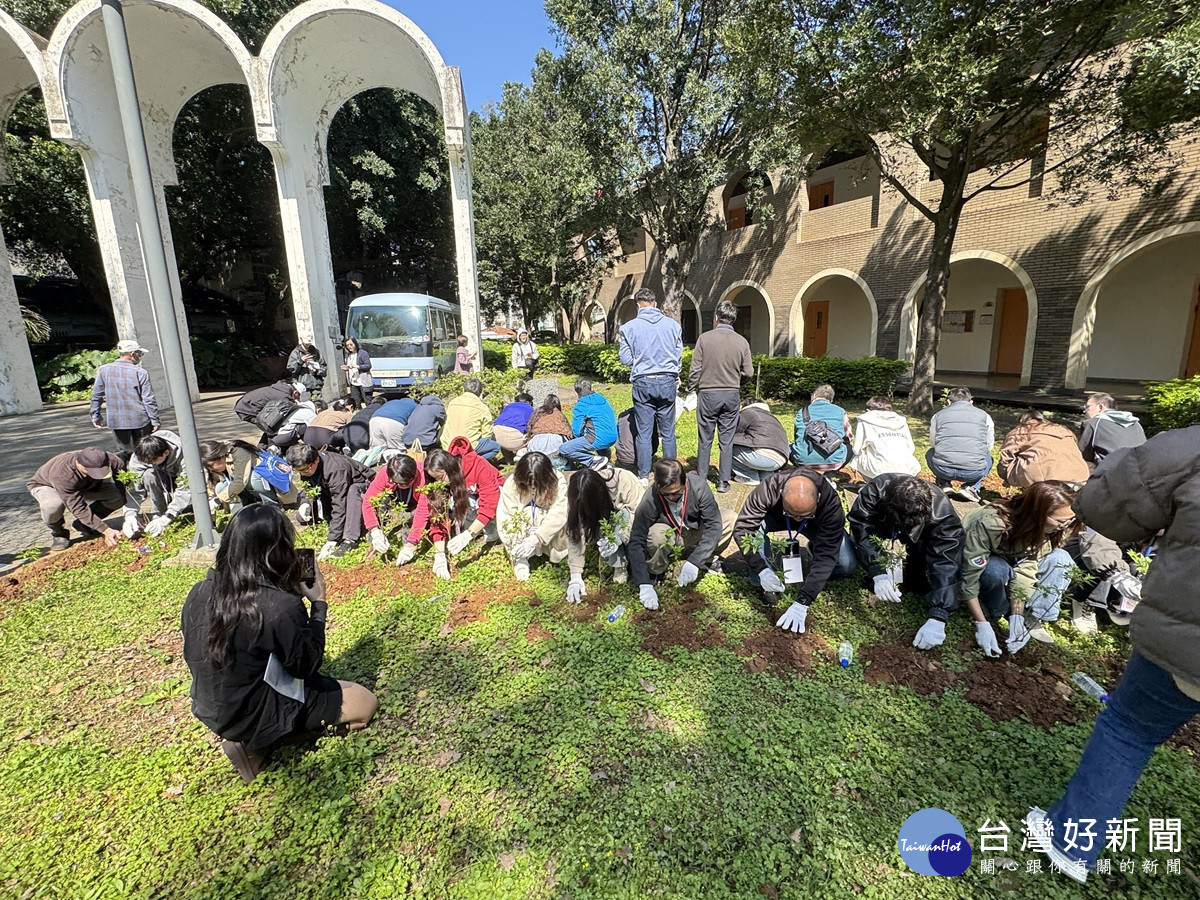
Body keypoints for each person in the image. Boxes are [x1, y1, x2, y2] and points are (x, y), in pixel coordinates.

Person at [1024, 424, 1200, 884]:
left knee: (1128, 731)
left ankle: (1070, 841)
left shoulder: (1189, 449)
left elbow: (1104, 504)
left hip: (1189, 640)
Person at [180, 505, 377, 783]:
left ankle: (254, 737)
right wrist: (318, 604)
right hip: (254, 713)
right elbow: (306, 666)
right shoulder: (277, 606)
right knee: (364, 703)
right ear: (278, 550)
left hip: (213, 706)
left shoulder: (199, 591)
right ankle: (261, 743)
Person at [958, 480, 1082, 655]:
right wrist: (981, 623)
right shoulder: (990, 523)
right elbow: (969, 573)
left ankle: (1028, 616)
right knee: (995, 570)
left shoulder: (1048, 529)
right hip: (985, 559)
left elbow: (1027, 565)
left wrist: (1017, 614)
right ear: (1039, 514)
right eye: (1061, 521)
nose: (1066, 525)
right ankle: (995, 610)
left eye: (1070, 520)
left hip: (1011, 556)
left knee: (1062, 560)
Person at [847, 474, 965, 650]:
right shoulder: (875, 492)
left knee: (920, 581)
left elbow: (947, 561)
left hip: (924, 536)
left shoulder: (943, 516)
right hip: (885, 522)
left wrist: (939, 615)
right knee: (869, 554)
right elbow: (862, 528)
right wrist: (876, 570)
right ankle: (882, 576)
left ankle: (913, 576)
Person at [730, 468, 855, 625]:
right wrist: (761, 570)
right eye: (792, 513)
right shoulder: (768, 488)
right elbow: (744, 529)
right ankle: (763, 583)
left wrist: (804, 601)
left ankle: (815, 546)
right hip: (775, 519)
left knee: (846, 563)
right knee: (754, 534)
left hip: (814, 526)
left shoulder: (830, 503)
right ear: (781, 494)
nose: (797, 518)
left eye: (804, 514)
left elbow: (828, 554)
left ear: (818, 498)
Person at [628, 458, 734, 610]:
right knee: (656, 535)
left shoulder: (698, 486)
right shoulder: (651, 498)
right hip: (669, 534)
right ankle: (657, 570)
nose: (671, 497)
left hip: (693, 530)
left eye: (677, 492)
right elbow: (636, 539)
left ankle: (706, 560)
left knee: (729, 519)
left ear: (685, 483)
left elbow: (714, 524)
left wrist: (695, 561)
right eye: (666, 494)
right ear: (658, 487)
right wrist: (643, 583)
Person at [395, 444, 502, 578]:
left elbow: (490, 503)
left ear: (450, 467)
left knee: (479, 502)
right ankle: (476, 527)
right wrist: (438, 553)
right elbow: (434, 513)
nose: (440, 482)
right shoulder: (439, 482)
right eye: (436, 479)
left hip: (497, 497)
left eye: (441, 477)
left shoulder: (478, 465)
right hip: (468, 502)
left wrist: (468, 535)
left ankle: (493, 528)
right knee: (454, 502)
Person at [687, 299, 753, 492]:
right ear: (733, 319)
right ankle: (723, 481)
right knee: (727, 439)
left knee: (705, 438)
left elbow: (695, 369)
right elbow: (748, 372)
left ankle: (701, 478)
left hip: (708, 394)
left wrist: (691, 388)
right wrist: (736, 383)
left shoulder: (704, 339)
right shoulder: (742, 342)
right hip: (731, 394)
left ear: (717, 317)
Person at [619, 288, 684, 478]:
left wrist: (640, 358)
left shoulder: (628, 328)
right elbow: (678, 356)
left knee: (644, 433)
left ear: (638, 305)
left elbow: (625, 358)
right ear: (655, 304)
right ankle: (673, 475)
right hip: (667, 381)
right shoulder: (673, 326)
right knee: (668, 432)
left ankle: (643, 475)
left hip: (643, 381)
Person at [564, 460, 647, 600]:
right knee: (603, 523)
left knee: (623, 515)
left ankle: (627, 562)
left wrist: (619, 536)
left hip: (632, 524)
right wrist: (575, 575)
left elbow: (638, 513)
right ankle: (618, 565)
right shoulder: (579, 492)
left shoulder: (625, 481)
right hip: (606, 520)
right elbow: (575, 531)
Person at [27, 447, 127, 550]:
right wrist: (105, 530)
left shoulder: (109, 459)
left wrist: (130, 512)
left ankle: (84, 525)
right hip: (48, 486)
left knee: (118, 497)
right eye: (93, 472)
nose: (98, 475)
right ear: (79, 464)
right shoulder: (63, 475)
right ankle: (59, 532)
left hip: (86, 486)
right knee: (53, 505)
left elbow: (123, 483)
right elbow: (78, 508)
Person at [285, 443, 373, 560]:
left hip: (362, 489)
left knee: (353, 492)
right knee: (303, 517)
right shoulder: (309, 466)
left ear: (316, 460)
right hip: (331, 490)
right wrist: (305, 502)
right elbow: (309, 487)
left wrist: (332, 540)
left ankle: (350, 539)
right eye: (299, 471)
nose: (303, 473)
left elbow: (340, 505)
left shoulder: (336, 469)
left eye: (305, 470)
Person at [495, 451, 569, 581]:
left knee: (563, 522)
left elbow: (560, 511)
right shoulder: (511, 484)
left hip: (547, 525)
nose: (533, 486)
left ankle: (557, 554)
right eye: (529, 482)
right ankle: (521, 558)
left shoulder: (558, 480)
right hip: (525, 526)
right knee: (525, 514)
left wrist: (538, 537)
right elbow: (506, 516)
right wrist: (513, 544)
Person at [90, 339, 160, 461]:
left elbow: (97, 395)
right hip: (140, 419)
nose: (140, 356)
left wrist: (96, 415)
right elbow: (148, 399)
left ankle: (123, 477)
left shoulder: (104, 370)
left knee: (122, 452)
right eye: (140, 353)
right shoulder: (140, 372)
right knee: (145, 451)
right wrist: (155, 420)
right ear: (132, 353)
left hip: (117, 420)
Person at [927, 386, 995, 502]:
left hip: (943, 469)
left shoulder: (938, 415)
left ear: (948, 401)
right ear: (971, 402)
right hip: (973, 471)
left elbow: (933, 443)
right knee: (988, 458)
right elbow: (989, 446)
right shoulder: (985, 416)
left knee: (931, 453)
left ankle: (943, 483)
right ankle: (972, 487)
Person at [123, 430, 192, 539]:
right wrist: (130, 515)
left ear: (166, 452)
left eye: (153, 462)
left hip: (180, 479)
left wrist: (169, 515)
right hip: (160, 477)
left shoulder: (184, 455)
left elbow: (185, 488)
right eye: (147, 462)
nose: (149, 464)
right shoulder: (140, 455)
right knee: (149, 475)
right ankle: (158, 514)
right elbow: (134, 488)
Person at [997, 410, 1089, 488]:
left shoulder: (1020, 431)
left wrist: (1007, 477)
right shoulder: (1065, 431)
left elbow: (1006, 459)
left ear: (1022, 421)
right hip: (1079, 475)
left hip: (1041, 478)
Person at [201, 439, 299, 511]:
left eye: (211, 465)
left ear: (220, 456)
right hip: (249, 487)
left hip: (273, 485)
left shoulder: (238, 452)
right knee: (220, 487)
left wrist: (218, 500)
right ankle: (246, 507)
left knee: (253, 478)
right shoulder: (220, 460)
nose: (211, 469)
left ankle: (272, 506)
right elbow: (213, 484)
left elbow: (240, 481)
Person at [363, 455, 425, 555]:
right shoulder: (385, 474)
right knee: (381, 500)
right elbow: (368, 501)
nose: (398, 485)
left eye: (402, 484)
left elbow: (423, 511)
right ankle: (378, 540)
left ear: (413, 478)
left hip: (416, 501)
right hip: (395, 497)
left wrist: (411, 544)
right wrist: (374, 530)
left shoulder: (423, 476)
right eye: (394, 482)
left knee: (415, 521)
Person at [850, 396, 921, 480]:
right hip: (908, 469)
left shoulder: (865, 420)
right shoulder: (900, 421)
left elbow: (857, 448)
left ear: (868, 410)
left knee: (856, 458)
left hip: (879, 471)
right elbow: (911, 447)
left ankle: (873, 483)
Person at [789, 384, 852, 471]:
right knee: (849, 448)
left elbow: (797, 436)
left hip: (802, 462)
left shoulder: (802, 412)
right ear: (831, 400)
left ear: (813, 396)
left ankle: (807, 473)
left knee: (790, 447)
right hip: (834, 462)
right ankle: (828, 476)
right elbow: (848, 436)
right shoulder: (840, 411)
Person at [559, 378, 618, 468]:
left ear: (576, 393)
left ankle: (593, 461)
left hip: (597, 439)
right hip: (613, 436)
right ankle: (606, 462)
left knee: (564, 448)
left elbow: (576, 431)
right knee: (595, 429)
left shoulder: (581, 405)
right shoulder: (602, 398)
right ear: (591, 388)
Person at [1078, 392, 1146, 469]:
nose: (1084, 411)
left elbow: (1083, 456)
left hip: (1113, 473)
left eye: (1087, 407)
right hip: (1142, 471)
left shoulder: (1094, 423)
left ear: (1100, 407)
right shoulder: (1135, 423)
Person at [730, 399, 790, 485]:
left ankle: (749, 477)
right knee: (758, 448)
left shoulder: (748, 412)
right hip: (780, 460)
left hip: (763, 458)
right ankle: (765, 476)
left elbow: (733, 431)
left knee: (728, 446)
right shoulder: (772, 418)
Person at [443, 378, 500, 461]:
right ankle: (474, 461)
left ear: (463, 389)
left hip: (448, 444)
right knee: (495, 447)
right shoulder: (482, 407)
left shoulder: (452, 402)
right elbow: (487, 434)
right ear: (480, 393)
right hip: (469, 446)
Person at [525, 394, 575, 459]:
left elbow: (530, 426)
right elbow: (568, 432)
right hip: (555, 442)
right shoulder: (559, 413)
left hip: (536, 442)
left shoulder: (538, 411)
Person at [493, 392, 535, 460]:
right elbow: (531, 427)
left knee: (503, 433)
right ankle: (520, 456)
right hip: (515, 438)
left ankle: (508, 459)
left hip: (497, 435)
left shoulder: (508, 407)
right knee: (531, 436)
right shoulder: (530, 409)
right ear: (529, 402)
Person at [340, 337, 373, 408]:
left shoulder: (362, 353)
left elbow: (368, 365)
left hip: (363, 382)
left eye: (351, 344)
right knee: (356, 402)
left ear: (355, 343)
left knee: (368, 402)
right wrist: (346, 368)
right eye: (347, 345)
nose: (349, 347)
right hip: (353, 382)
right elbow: (350, 367)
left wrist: (356, 366)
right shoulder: (348, 355)